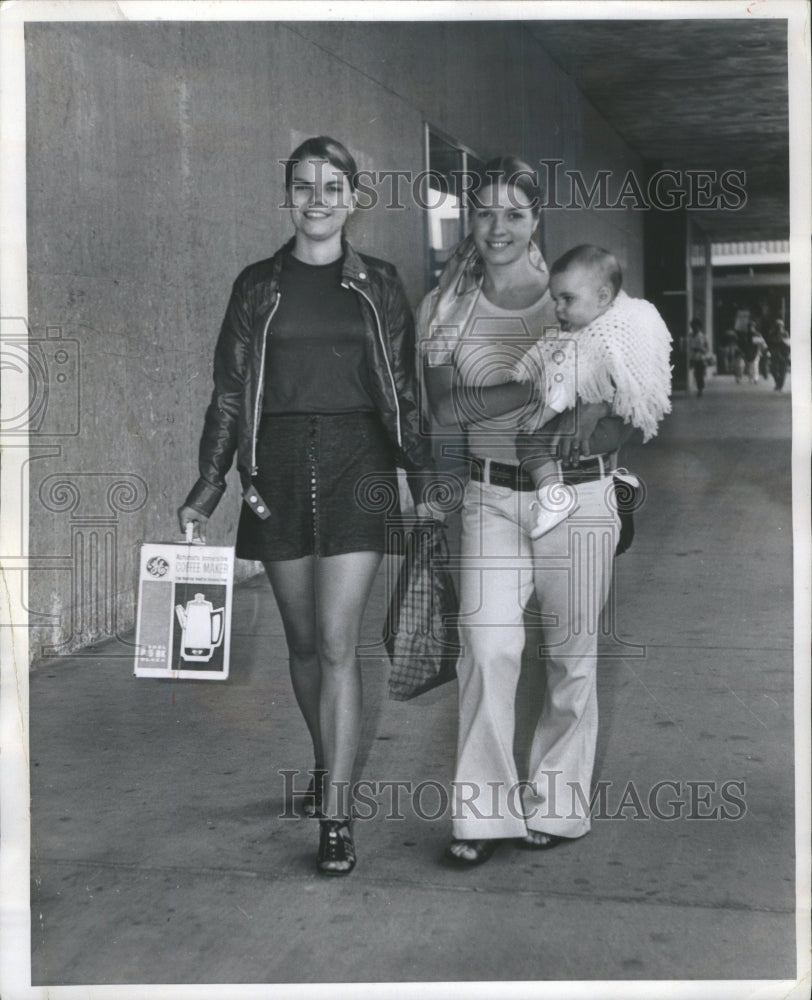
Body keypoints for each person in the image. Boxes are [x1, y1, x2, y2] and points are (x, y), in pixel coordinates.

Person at [177, 136, 434, 876]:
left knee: (334, 641)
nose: (317, 199)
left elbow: (405, 391)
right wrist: (207, 487)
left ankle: (337, 815)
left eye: (332, 187)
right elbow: (229, 394)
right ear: (286, 195)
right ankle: (328, 761)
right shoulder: (256, 284)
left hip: (360, 463)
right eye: (304, 186)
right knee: (297, 646)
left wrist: (423, 483)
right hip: (276, 469)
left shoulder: (379, 283)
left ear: (354, 198)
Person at [418, 157, 645, 866]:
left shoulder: (575, 296)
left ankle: (556, 806)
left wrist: (597, 427)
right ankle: (483, 816)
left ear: (536, 219)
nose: (497, 227)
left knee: (571, 660)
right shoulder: (444, 307)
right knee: (488, 650)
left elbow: (631, 407)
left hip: (577, 496)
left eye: (514, 213)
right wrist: (437, 499)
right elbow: (444, 413)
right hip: (489, 498)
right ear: (468, 217)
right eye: (483, 211)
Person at [510, 244, 671, 538]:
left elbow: (565, 387)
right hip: (611, 430)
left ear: (602, 297)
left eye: (567, 299)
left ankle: (553, 499)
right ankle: (612, 480)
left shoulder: (604, 334)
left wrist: (541, 416)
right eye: (555, 299)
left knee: (529, 442)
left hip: (609, 426)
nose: (558, 308)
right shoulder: (606, 323)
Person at [687, 317, 710, 397]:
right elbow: (688, 347)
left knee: (700, 374)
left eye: (696, 326)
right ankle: (698, 387)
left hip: (701, 358)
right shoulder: (690, 336)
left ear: (699, 327)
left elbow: (707, 348)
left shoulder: (703, 337)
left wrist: (700, 349)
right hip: (692, 357)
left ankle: (700, 389)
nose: (694, 328)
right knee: (695, 375)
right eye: (693, 326)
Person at [768, 318, 791, 391]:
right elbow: (771, 341)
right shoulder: (772, 333)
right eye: (777, 325)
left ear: (782, 326)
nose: (779, 327)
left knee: (783, 371)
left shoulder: (785, 333)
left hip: (784, 353)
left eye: (780, 325)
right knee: (773, 369)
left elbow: (788, 343)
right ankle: (778, 382)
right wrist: (780, 341)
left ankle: (780, 386)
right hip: (775, 353)